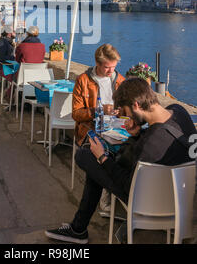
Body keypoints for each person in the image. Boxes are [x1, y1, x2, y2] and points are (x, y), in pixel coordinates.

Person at [45, 77, 196, 244]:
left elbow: (127, 184)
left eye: (126, 112)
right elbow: (161, 135)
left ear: (136, 105)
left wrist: (102, 157)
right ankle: (78, 228)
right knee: (97, 165)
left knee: (85, 155)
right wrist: (138, 133)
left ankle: (78, 229)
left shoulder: (149, 145)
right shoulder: (179, 111)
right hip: (182, 200)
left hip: (145, 201)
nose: (127, 116)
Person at [72, 43, 125, 147]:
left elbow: (127, 110)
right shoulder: (83, 80)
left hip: (116, 129)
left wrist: (121, 110)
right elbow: (76, 114)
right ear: (97, 63)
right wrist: (99, 110)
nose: (111, 71)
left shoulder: (120, 81)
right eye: (107, 67)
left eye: (113, 67)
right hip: (91, 128)